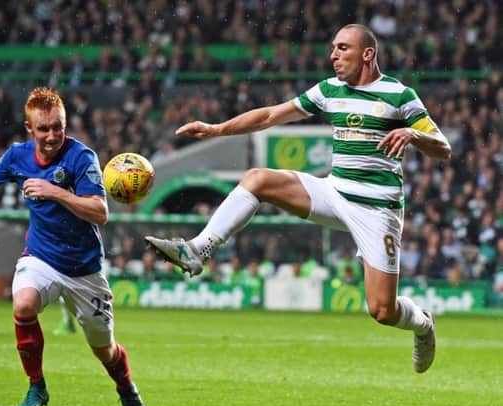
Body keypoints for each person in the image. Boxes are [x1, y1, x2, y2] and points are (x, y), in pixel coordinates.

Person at [146, 24, 451, 374]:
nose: (333, 56)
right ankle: (198, 249)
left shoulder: (399, 96)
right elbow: (272, 114)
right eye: (333, 48)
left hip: (377, 209)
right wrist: (217, 129)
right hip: (335, 192)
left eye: (343, 49)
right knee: (257, 179)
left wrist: (413, 134)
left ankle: (423, 324)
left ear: (367, 54)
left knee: (382, 311)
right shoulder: (329, 90)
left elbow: (443, 148)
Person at [0, 87, 147, 406]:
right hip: (41, 258)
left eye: (58, 126)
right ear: (30, 129)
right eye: (44, 129)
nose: (53, 134)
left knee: (105, 349)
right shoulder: (17, 157)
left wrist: (55, 192)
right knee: (23, 304)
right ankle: (36, 385)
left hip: (85, 269)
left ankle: (126, 389)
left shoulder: (81, 157)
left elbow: (100, 211)